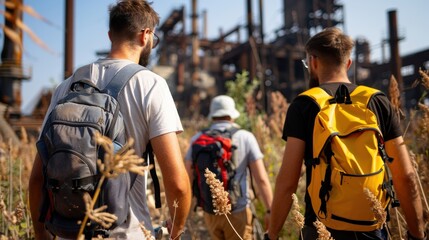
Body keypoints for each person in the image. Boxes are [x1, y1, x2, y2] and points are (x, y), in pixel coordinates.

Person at [28, 1, 191, 239]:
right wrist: (176, 230)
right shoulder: (151, 85)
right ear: (145, 35)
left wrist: (42, 236)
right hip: (127, 233)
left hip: (70, 232)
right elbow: (177, 184)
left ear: (109, 35)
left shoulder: (66, 87)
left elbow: (36, 179)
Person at [266, 27, 426, 240]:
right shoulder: (377, 102)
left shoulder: (304, 105)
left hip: (321, 227)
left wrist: (272, 234)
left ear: (313, 62)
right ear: (348, 64)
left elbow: (288, 181)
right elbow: (405, 176)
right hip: (372, 223)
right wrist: (417, 234)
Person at [184, 95, 273, 240]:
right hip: (238, 211)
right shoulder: (245, 137)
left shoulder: (197, 139)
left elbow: (187, 177)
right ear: (232, 115)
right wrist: (270, 210)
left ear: (213, 116)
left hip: (210, 211)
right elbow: (261, 179)